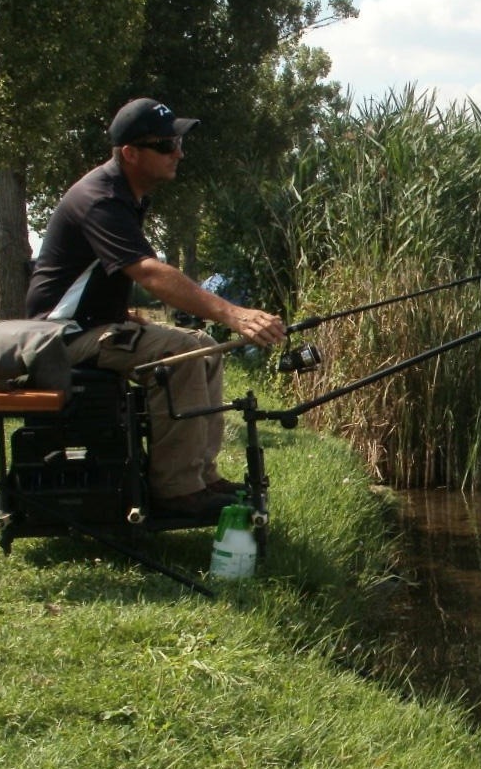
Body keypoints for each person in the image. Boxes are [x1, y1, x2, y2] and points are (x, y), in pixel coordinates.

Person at [26, 98, 287, 518]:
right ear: (130, 153)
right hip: (60, 338)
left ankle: (202, 475)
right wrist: (233, 314)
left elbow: (101, 274)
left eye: (178, 142)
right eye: (166, 145)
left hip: (88, 326)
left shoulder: (125, 195)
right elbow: (148, 272)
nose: (178, 153)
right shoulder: (100, 199)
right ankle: (177, 490)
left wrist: (120, 315)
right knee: (179, 357)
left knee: (204, 346)